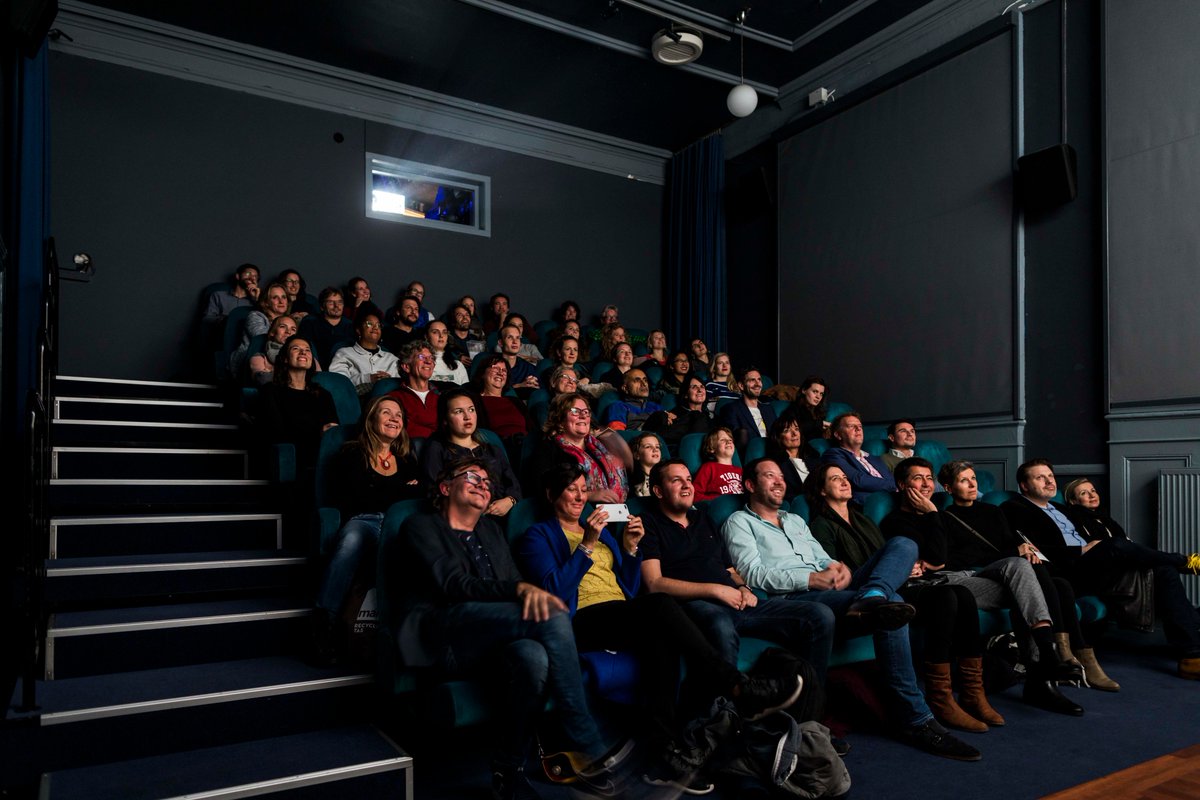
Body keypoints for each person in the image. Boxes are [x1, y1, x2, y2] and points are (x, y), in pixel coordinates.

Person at [515, 463, 803, 794]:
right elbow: (555, 592)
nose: (581, 496)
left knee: (662, 635)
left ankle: (660, 754)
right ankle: (737, 686)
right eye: (571, 489)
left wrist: (631, 549)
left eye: (584, 489)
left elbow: (628, 584)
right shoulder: (537, 536)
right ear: (552, 495)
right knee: (662, 606)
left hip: (620, 612)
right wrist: (586, 545)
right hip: (580, 619)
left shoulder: (603, 531)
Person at [393, 458, 629, 799]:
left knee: (533, 658)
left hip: (491, 635)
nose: (483, 484)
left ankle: (509, 767)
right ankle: (585, 738)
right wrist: (520, 592)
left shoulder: (490, 530)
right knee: (550, 613)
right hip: (442, 635)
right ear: (445, 488)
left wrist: (521, 590)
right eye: (471, 477)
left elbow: (513, 579)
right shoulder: (420, 526)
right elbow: (452, 584)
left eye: (488, 481)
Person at [722, 458, 981, 761]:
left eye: (781, 476)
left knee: (903, 544)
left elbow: (821, 558)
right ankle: (915, 720)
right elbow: (753, 573)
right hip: (794, 597)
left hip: (834, 590)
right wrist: (812, 578)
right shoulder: (739, 522)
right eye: (769, 476)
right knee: (893, 604)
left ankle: (872, 593)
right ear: (751, 485)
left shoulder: (794, 520)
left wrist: (837, 568)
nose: (779, 481)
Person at [879, 459, 1077, 722]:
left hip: (969, 577)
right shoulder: (899, 520)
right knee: (1025, 586)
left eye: (929, 478)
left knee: (1022, 573)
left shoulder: (940, 514)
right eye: (918, 478)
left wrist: (933, 517)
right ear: (902, 485)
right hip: (940, 585)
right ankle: (1041, 671)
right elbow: (939, 560)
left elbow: (944, 555)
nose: (926, 484)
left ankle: (1044, 664)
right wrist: (932, 514)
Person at [1004, 460, 1200, 680]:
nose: (1049, 481)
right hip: (1067, 571)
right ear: (1024, 485)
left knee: (1164, 570)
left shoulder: (1062, 509)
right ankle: (1183, 561)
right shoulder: (1014, 508)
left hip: (1095, 566)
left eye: (1050, 475)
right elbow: (1032, 547)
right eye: (1040, 477)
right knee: (1115, 545)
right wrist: (1081, 550)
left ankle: (1190, 656)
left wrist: (1099, 545)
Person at [641, 460, 834, 683]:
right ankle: (725, 709)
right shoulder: (648, 523)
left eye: (688, 480)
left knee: (820, 615)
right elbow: (653, 583)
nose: (687, 486)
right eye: (676, 481)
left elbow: (730, 569)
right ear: (657, 491)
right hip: (694, 605)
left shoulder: (703, 518)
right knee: (721, 625)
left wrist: (743, 587)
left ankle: (808, 703)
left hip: (737, 601)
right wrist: (715, 591)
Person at [939, 460, 1118, 693]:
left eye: (973, 479)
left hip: (1006, 567)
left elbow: (1009, 543)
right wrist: (1015, 552)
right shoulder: (945, 518)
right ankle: (1049, 654)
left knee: (1060, 584)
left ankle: (1075, 651)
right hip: (979, 572)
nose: (972, 485)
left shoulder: (993, 511)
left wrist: (1025, 549)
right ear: (948, 488)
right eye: (964, 480)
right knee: (1022, 564)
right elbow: (958, 559)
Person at [312, 396, 420, 664]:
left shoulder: (407, 458)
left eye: (399, 414)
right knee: (350, 541)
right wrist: (402, 489)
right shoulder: (351, 452)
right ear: (372, 419)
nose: (395, 418)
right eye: (386, 412)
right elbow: (359, 498)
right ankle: (323, 626)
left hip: (399, 523)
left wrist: (388, 491)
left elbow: (417, 496)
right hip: (365, 520)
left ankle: (410, 637)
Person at [419, 389, 520, 517]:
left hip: (502, 517)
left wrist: (509, 501)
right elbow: (432, 492)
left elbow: (513, 484)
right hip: (460, 519)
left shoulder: (493, 450)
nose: (467, 416)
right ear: (445, 419)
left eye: (471, 410)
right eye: (459, 411)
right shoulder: (437, 449)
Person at [255, 334, 338, 477]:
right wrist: (318, 432)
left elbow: (333, 429)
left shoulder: (323, 394)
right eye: (296, 348)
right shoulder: (271, 391)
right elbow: (276, 432)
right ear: (286, 358)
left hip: (322, 454)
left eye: (307, 350)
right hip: (294, 455)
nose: (303, 352)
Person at [526, 392, 628, 504]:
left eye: (586, 412)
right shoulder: (548, 449)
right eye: (575, 411)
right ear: (560, 421)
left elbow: (634, 481)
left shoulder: (600, 447)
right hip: (578, 515)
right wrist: (588, 495)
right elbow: (543, 489)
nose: (583, 416)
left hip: (616, 512)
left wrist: (626, 458)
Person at [820, 412, 895, 505]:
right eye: (851, 426)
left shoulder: (875, 458)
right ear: (838, 435)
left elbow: (891, 479)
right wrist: (895, 487)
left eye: (860, 426)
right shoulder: (833, 454)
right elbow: (858, 480)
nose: (858, 429)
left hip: (892, 500)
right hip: (866, 504)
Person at [470, 355, 529, 460]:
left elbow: (532, 428)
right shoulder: (474, 400)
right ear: (483, 373)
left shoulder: (515, 401)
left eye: (504, 370)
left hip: (526, 445)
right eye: (495, 368)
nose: (500, 373)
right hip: (499, 448)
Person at [328, 310, 400, 395]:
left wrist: (389, 381)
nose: (375, 327)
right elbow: (338, 383)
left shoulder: (392, 358)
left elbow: (403, 384)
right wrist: (368, 378)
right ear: (358, 330)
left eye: (378, 325)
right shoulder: (344, 353)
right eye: (369, 324)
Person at [231, 282, 291, 377]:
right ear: (266, 303)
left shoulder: (290, 322)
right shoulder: (255, 316)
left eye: (284, 297)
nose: (281, 301)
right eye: (275, 297)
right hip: (253, 361)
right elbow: (263, 338)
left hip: (279, 361)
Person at [387, 341, 439, 438]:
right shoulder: (394, 398)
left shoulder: (441, 396)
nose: (429, 361)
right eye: (421, 357)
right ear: (406, 367)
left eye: (431, 358)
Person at [645, 374, 711, 450]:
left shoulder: (710, 416)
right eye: (694, 387)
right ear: (686, 394)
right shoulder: (673, 415)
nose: (700, 390)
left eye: (702, 387)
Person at [764, 412, 819, 502]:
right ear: (778, 437)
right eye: (787, 430)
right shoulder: (775, 465)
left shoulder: (813, 457)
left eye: (797, 429)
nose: (794, 434)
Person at [717, 367, 777, 448]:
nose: (757, 384)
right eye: (752, 380)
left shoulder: (768, 409)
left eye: (759, 380)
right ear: (741, 386)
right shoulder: (731, 409)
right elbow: (738, 442)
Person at [299, 287, 355, 369]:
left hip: (344, 370)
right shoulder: (310, 322)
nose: (336, 306)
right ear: (322, 306)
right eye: (331, 302)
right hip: (314, 368)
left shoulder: (351, 326)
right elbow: (306, 346)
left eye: (339, 302)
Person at [247, 314, 299, 386]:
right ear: (272, 333)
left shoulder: (305, 354)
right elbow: (263, 379)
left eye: (293, 329)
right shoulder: (259, 358)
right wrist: (298, 374)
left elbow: (318, 378)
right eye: (283, 327)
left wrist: (272, 372)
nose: (288, 332)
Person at [692, 427, 742, 501]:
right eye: (723, 440)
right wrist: (716, 501)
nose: (729, 442)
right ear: (712, 448)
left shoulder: (741, 471)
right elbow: (695, 494)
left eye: (730, 440)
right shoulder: (708, 467)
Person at [425, 320, 469, 386]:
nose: (441, 335)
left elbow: (466, 392)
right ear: (426, 337)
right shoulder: (422, 363)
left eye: (444, 332)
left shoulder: (458, 365)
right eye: (435, 332)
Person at [497, 324, 539, 391]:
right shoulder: (492, 366)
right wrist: (519, 386)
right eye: (510, 337)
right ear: (500, 343)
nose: (515, 342)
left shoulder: (528, 368)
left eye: (517, 338)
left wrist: (533, 384)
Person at [790, 375, 830, 443]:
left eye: (821, 394)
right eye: (815, 392)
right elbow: (794, 429)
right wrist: (820, 424)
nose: (818, 396)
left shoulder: (818, 411)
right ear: (804, 390)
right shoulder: (794, 408)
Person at [628, 432, 662, 497]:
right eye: (648, 447)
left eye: (657, 447)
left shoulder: (665, 477)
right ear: (637, 455)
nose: (655, 450)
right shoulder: (632, 480)